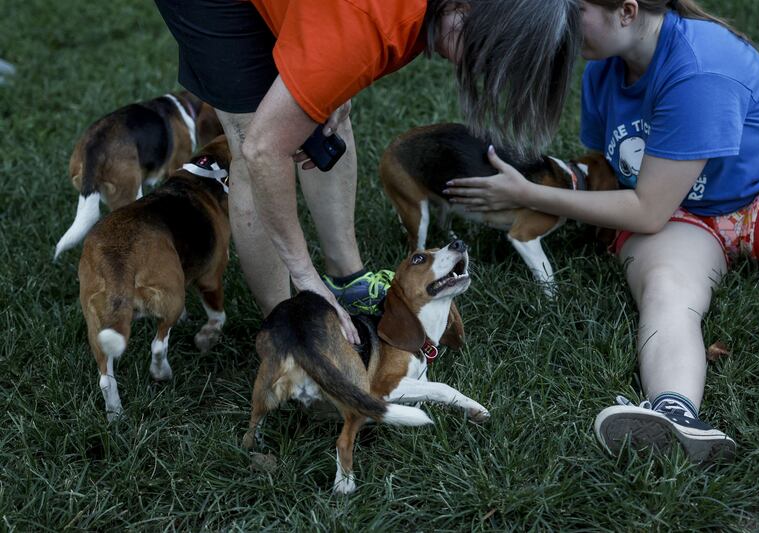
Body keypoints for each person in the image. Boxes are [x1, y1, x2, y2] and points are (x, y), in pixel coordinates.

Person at [446, 0, 759, 462]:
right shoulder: (602, 71)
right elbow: (617, 179)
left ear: (627, 11)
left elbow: (646, 210)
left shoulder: (699, 66)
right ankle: (674, 412)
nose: (561, 25)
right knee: (666, 292)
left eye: (574, 12)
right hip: (686, 220)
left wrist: (530, 194)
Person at [153, 0, 582, 344]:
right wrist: (305, 274)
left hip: (343, 19)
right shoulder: (372, 24)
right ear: (464, 11)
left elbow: (338, 37)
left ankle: (347, 279)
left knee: (327, 113)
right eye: (490, 54)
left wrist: (328, 76)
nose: (486, 71)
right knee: (253, 138)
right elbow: (264, 149)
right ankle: (291, 324)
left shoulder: (417, 18)